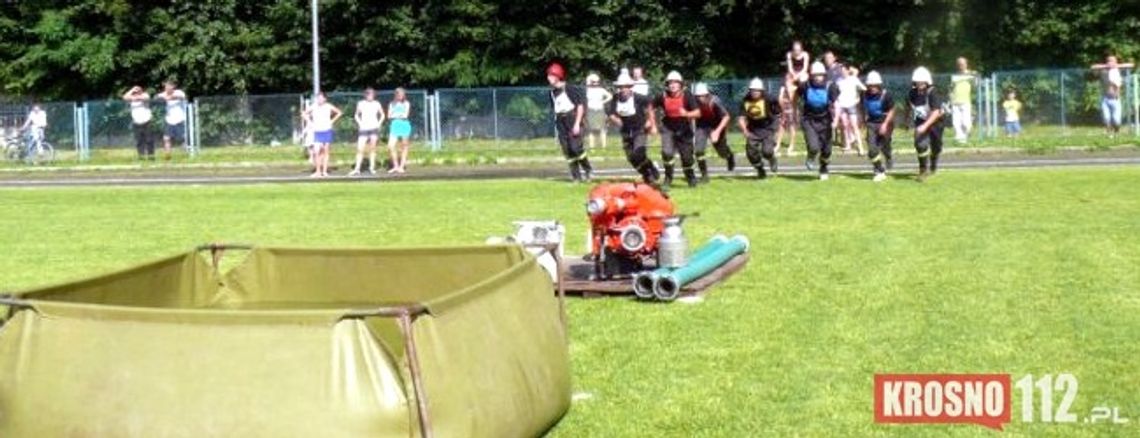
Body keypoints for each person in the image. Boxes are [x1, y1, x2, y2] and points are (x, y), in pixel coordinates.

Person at [606, 72, 660, 184]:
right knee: (631, 158)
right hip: (626, 131)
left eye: (626, 86)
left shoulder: (639, 98)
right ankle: (647, 174)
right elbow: (610, 112)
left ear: (630, 87)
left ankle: (652, 168)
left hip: (639, 129)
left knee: (638, 153)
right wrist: (617, 121)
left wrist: (652, 123)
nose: (623, 89)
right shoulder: (615, 99)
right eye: (621, 87)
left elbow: (651, 106)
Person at [651, 71, 701, 187]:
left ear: (680, 84)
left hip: (684, 129)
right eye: (670, 83)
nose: (673, 85)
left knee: (687, 157)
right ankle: (668, 178)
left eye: (675, 83)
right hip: (668, 128)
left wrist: (687, 114)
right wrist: (652, 124)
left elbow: (698, 113)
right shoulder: (662, 96)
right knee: (667, 153)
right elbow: (650, 108)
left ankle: (690, 177)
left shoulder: (687, 95)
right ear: (667, 85)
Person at [546, 62, 594, 182]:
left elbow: (580, 106)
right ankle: (576, 176)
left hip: (572, 118)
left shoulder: (570, 89)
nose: (548, 78)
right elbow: (555, 108)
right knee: (567, 149)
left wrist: (577, 123)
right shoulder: (552, 92)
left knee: (575, 147)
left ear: (558, 76)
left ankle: (588, 169)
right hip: (560, 121)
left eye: (551, 76)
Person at [798, 62, 839, 180]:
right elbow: (795, 95)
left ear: (824, 75)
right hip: (809, 119)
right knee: (814, 146)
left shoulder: (831, 86)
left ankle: (823, 168)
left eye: (820, 75)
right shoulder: (805, 85)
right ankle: (811, 156)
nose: (817, 77)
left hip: (825, 120)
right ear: (811, 75)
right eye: (815, 75)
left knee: (827, 150)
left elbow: (837, 104)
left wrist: (836, 119)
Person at [737, 78, 782, 180]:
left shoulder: (769, 98)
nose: (755, 92)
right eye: (753, 90)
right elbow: (741, 117)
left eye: (757, 90)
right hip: (753, 129)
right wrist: (745, 130)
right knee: (751, 153)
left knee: (767, 151)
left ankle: (772, 159)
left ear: (761, 91)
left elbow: (778, 112)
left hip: (768, 127)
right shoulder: (745, 100)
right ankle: (760, 170)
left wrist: (777, 124)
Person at [907, 66, 945, 182]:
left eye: (922, 81)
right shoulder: (912, 93)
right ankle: (923, 170)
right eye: (918, 82)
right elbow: (909, 107)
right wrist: (907, 120)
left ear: (927, 81)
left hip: (936, 123)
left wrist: (925, 125)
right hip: (920, 121)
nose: (920, 84)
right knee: (920, 144)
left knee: (936, 147)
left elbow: (936, 112)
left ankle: (933, 162)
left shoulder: (932, 92)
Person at [693, 82, 735, 181]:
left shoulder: (715, 102)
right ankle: (704, 175)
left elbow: (726, 117)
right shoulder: (694, 102)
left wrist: (717, 131)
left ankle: (729, 156)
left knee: (722, 152)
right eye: (698, 96)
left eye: (702, 96)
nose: (700, 99)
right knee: (699, 150)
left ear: (707, 95)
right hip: (702, 127)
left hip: (717, 126)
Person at [862, 71, 896, 182]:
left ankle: (888, 156)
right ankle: (879, 169)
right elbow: (861, 107)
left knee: (884, 146)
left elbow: (892, 110)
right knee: (872, 149)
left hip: (885, 123)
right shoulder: (864, 94)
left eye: (875, 85)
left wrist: (885, 124)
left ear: (879, 85)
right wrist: (862, 119)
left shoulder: (886, 95)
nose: (872, 88)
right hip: (871, 123)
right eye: (870, 85)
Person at [1091, 55, 1135, 138]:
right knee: (1106, 119)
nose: (1110, 62)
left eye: (1112, 61)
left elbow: (1131, 65)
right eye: (1109, 61)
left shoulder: (1118, 70)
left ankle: (1116, 132)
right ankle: (1109, 134)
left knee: (1117, 121)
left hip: (1116, 99)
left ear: (1116, 62)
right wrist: (1106, 66)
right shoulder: (1103, 71)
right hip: (1105, 99)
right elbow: (1093, 67)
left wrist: (1116, 65)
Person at [303, 92, 342, 178]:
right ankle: (318, 171)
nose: (319, 100)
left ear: (325, 99)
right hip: (317, 131)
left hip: (326, 130)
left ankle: (324, 171)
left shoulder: (328, 106)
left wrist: (332, 121)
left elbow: (339, 113)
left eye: (321, 98)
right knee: (317, 151)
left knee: (325, 151)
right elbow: (304, 113)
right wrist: (310, 122)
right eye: (318, 98)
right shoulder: (313, 106)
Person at [349, 88, 386, 176]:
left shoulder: (376, 104)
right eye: (368, 94)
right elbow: (356, 115)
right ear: (365, 95)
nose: (370, 96)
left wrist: (379, 123)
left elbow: (382, 114)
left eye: (372, 94)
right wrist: (360, 123)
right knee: (360, 148)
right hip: (364, 128)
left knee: (372, 148)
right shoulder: (361, 103)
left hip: (373, 128)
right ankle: (357, 168)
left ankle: (372, 168)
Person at [835, 66, 866, 155]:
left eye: (844, 70)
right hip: (842, 105)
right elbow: (836, 92)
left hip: (851, 105)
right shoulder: (838, 81)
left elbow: (863, 88)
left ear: (848, 71)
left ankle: (860, 147)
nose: (843, 72)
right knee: (844, 125)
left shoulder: (853, 79)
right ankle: (847, 145)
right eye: (841, 71)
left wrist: (857, 97)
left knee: (854, 126)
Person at [123, 86, 156, 161]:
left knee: (149, 140)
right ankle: (141, 157)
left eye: (138, 91)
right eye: (135, 91)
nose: (136, 92)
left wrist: (135, 97)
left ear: (141, 90)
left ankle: (151, 157)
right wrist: (132, 89)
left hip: (147, 121)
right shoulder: (131, 97)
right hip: (136, 122)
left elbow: (145, 98)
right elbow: (125, 97)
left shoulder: (145, 95)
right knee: (139, 141)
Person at [156, 80, 187, 160]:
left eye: (169, 86)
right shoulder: (163, 94)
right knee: (166, 138)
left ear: (173, 87)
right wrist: (163, 98)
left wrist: (169, 97)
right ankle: (168, 156)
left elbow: (181, 97)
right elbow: (156, 98)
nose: (167, 88)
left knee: (181, 139)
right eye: (166, 87)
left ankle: (185, 154)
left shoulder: (179, 92)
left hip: (179, 119)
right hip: (169, 120)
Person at [950, 57, 978, 144]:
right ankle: (960, 140)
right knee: (956, 122)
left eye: (962, 63)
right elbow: (951, 87)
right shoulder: (955, 76)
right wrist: (950, 96)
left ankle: (967, 136)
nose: (960, 65)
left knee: (966, 122)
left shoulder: (971, 74)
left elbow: (976, 83)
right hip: (955, 101)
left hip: (965, 101)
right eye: (959, 64)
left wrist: (974, 75)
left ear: (966, 64)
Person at [387, 87, 413, 174]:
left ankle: (402, 166)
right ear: (395, 95)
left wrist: (396, 115)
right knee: (390, 146)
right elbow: (389, 115)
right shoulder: (391, 104)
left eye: (402, 94)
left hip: (404, 124)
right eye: (398, 94)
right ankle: (395, 166)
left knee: (404, 145)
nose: (400, 96)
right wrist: (397, 115)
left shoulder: (406, 103)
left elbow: (405, 115)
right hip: (395, 124)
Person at [585, 73, 613, 149]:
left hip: (599, 110)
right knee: (591, 130)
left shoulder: (601, 90)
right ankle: (592, 147)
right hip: (591, 110)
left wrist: (603, 102)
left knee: (602, 129)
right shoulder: (587, 90)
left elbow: (610, 96)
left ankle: (603, 147)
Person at [776, 72, 798, 156]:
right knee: (781, 127)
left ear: (792, 79)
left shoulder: (795, 88)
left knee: (792, 127)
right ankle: (778, 144)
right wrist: (782, 109)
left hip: (793, 110)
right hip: (784, 109)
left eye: (788, 78)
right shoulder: (783, 88)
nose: (786, 80)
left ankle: (791, 145)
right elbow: (780, 99)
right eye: (786, 78)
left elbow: (793, 100)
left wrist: (789, 89)